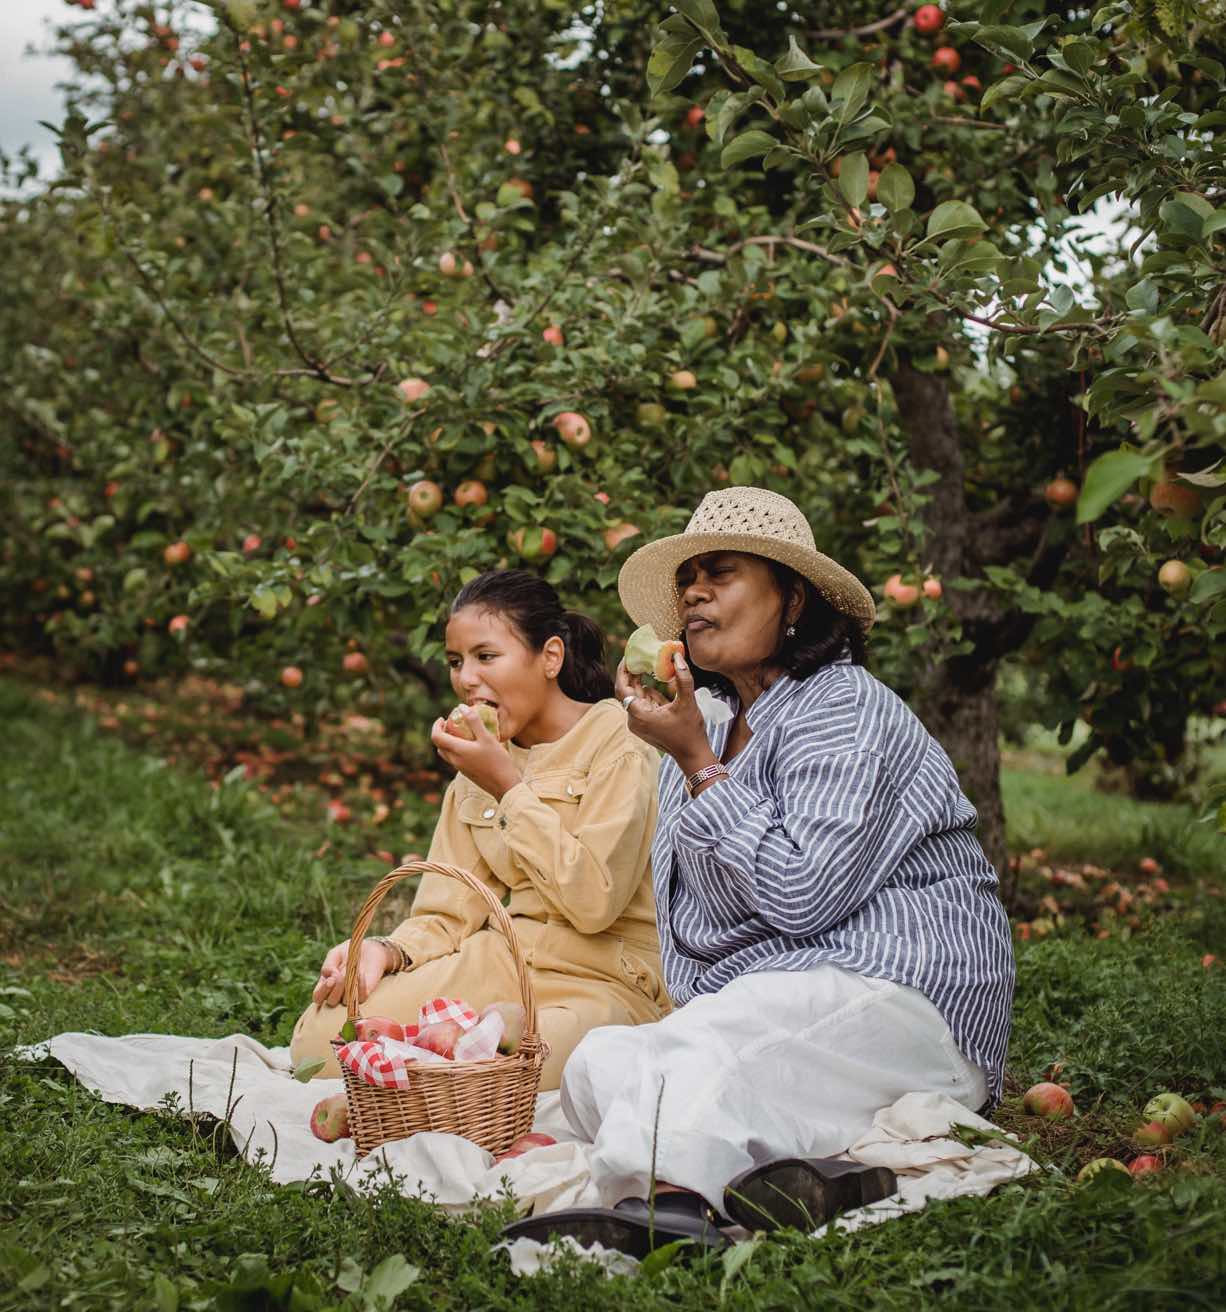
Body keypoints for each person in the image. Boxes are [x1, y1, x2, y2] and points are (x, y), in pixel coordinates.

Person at [503, 487, 1015, 1255]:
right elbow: (699, 916)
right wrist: (691, 752)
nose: (694, 593)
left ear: (793, 599)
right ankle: (830, 1173)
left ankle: (669, 1211)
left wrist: (698, 766)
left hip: (903, 994)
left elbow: (803, 895)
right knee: (601, 1064)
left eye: (721, 573)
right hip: (785, 998)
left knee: (705, 1055)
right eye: (688, 579)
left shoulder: (845, 707)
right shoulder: (705, 725)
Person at [290, 569, 669, 1090]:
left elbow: (594, 903)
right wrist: (387, 951)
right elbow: (447, 912)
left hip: (602, 978)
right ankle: (462, 1052)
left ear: (550, 658)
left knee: (508, 1064)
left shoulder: (619, 744)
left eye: (486, 656)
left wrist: (507, 787)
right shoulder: (480, 761)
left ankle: (470, 1057)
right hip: (504, 962)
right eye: (455, 662)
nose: (466, 678)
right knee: (323, 1039)